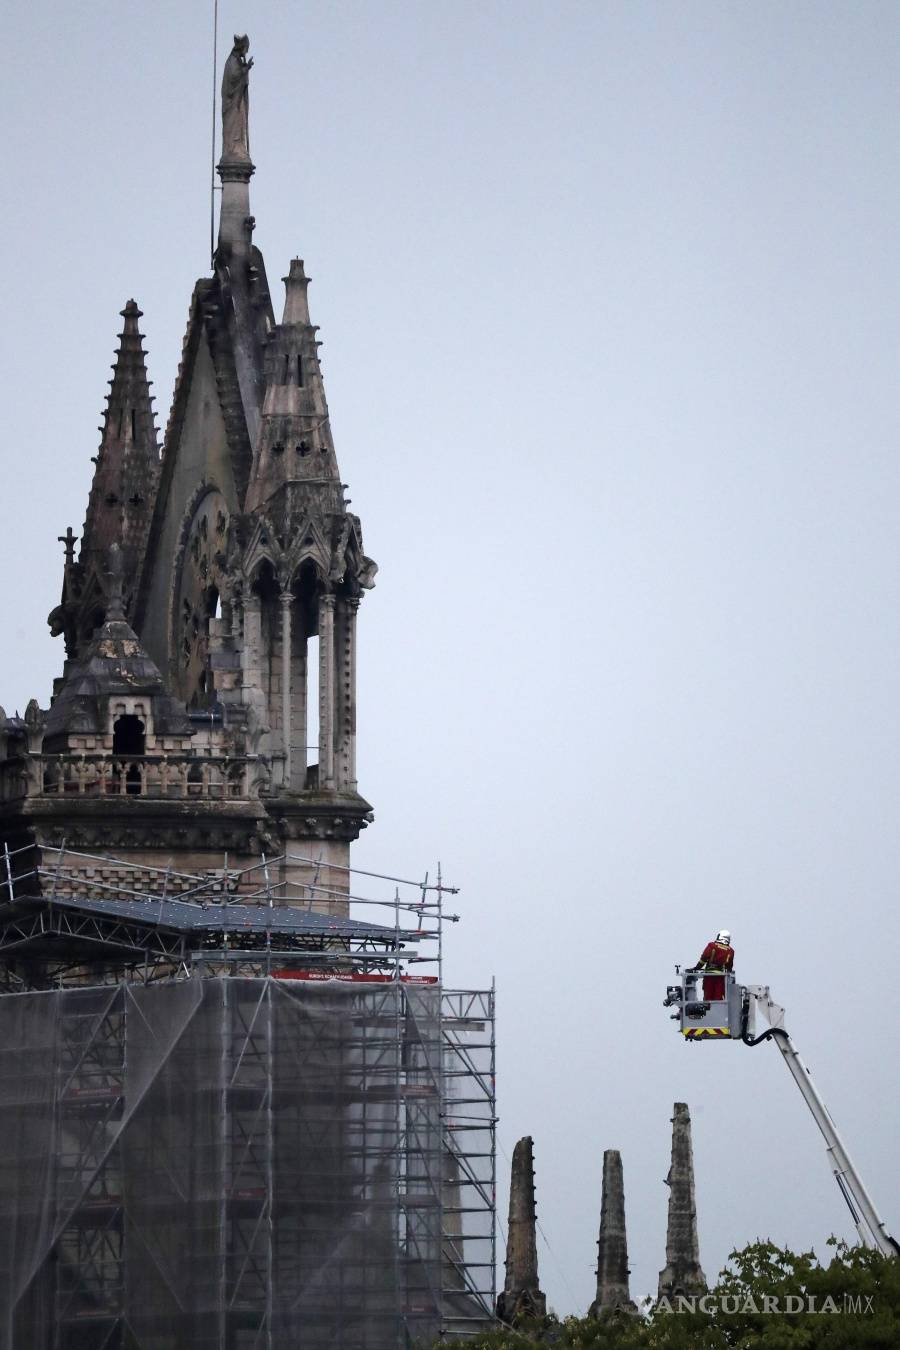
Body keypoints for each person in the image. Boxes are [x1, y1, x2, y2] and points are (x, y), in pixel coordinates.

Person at [696, 929, 733, 1001]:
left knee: (708, 997)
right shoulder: (730, 951)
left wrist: (697, 967)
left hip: (709, 976)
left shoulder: (712, 946)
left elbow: (704, 958)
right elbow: (729, 966)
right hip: (721, 977)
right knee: (718, 997)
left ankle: (708, 1010)